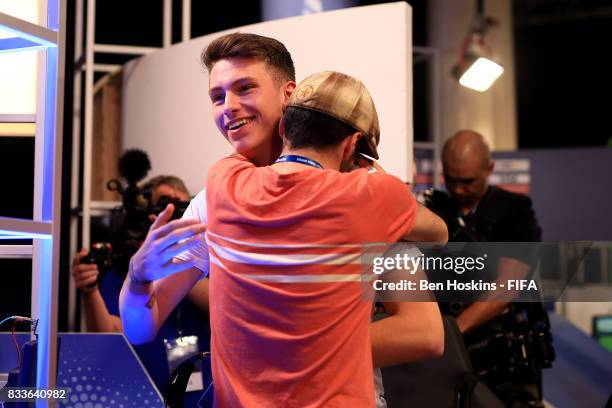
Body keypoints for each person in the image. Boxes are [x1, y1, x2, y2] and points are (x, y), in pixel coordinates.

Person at [120, 33, 445, 403]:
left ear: (288, 95)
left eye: (245, 88)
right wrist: (136, 276)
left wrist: (289, 352)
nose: (228, 106)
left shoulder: (361, 192)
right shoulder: (216, 198)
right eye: (217, 96)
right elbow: (140, 325)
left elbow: (423, 331)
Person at [424, 130, 554, 407]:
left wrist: (451, 334)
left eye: (468, 182)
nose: (458, 190)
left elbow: (507, 286)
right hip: (447, 364)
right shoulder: (432, 210)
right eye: (451, 180)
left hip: (505, 365)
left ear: (490, 169)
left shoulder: (515, 211)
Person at [72, 175, 211, 400]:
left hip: (204, 396)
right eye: (165, 209)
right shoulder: (128, 271)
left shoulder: (206, 261)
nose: (174, 219)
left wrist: (177, 256)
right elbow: (111, 334)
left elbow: (219, 305)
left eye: (181, 212)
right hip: (143, 394)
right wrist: (90, 291)